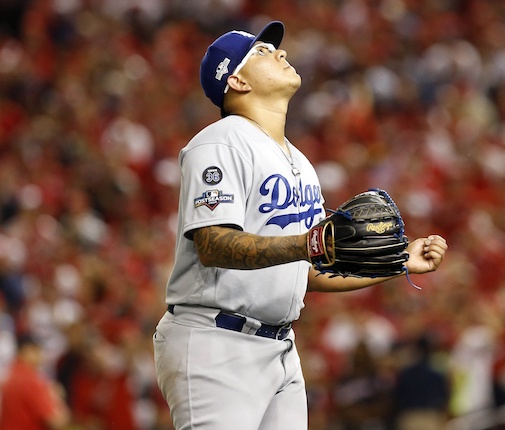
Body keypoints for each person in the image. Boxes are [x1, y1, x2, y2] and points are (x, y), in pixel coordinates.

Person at [152, 20, 448, 430]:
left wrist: (396, 261)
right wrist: (306, 245)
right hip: (215, 342)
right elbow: (213, 244)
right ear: (236, 80)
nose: (281, 52)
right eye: (261, 51)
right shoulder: (220, 142)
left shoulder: (299, 161)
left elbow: (311, 267)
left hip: (279, 346)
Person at [0, 334, 70, 430]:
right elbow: (56, 422)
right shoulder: (30, 380)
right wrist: (57, 398)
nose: (41, 356)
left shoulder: (12, 374)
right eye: (37, 351)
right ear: (26, 351)